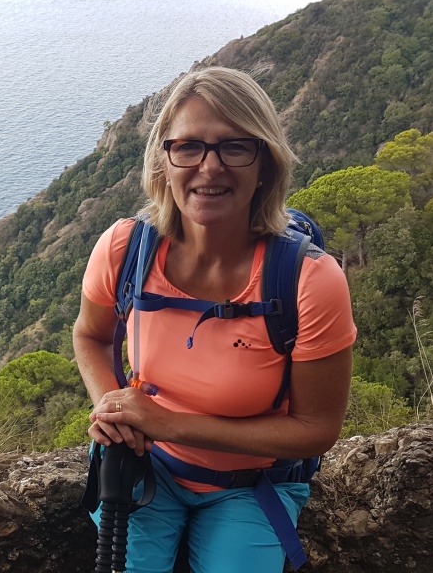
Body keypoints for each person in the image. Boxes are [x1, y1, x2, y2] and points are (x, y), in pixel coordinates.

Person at [73, 66, 356, 573]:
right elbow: (91, 336)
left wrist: (168, 424)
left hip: (252, 483)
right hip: (146, 464)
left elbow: (315, 429)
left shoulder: (308, 280)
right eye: (188, 147)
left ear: (265, 163)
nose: (209, 167)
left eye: (234, 147)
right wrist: (112, 408)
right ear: (164, 162)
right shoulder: (124, 249)